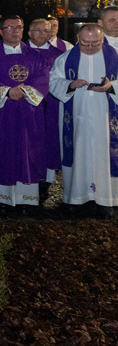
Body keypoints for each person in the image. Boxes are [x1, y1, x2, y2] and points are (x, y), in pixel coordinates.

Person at [0, 16, 50, 208]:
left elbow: (43, 78)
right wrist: (7, 92)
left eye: (19, 27)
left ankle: (25, 199)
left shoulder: (35, 56)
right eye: (10, 27)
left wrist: (22, 91)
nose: (15, 31)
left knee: (26, 152)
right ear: (0, 32)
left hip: (27, 112)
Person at [49, 24, 118, 216]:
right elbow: (52, 81)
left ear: (103, 39)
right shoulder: (65, 59)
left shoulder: (115, 56)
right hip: (76, 119)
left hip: (106, 120)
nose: (89, 47)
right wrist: (70, 84)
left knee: (105, 156)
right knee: (78, 154)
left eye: (95, 43)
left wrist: (111, 86)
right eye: (85, 43)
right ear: (78, 38)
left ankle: (107, 201)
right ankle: (75, 199)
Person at [28, 18, 65, 190]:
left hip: (51, 105)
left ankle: (46, 181)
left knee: (49, 139)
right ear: (29, 33)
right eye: (38, 30)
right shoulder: (20, 51)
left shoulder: (59, 55)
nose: (42, 34)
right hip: (26, 104)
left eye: (46, 31)